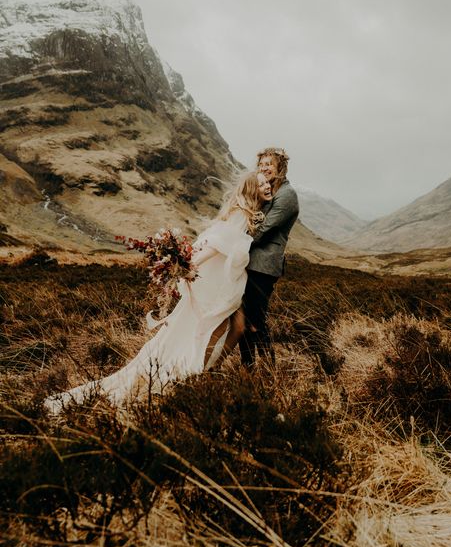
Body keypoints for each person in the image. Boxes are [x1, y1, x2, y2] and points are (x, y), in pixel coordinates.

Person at [44, 170, 273, 415]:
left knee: (222, 328)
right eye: (262, 184)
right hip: (216, 285)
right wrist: (192, 263)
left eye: (268, 182)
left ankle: (200, 372)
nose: (268, 186)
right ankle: (196, 374)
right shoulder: (240, 214)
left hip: (218, 282)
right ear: (252, 189)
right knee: (219, 329)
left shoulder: (245, 212)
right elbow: (220, 243)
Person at [238, 147, 299, 368]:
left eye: (269, 164)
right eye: (261, 164)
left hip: (264, 267)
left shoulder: (286, 194)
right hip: (252, 264)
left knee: (255, 319)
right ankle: (249, 366)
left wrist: (235, 243)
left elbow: (264, 230)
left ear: (280, 167)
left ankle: (268, 368)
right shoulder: (270, 190)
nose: (264, 168)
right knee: (243, 319)